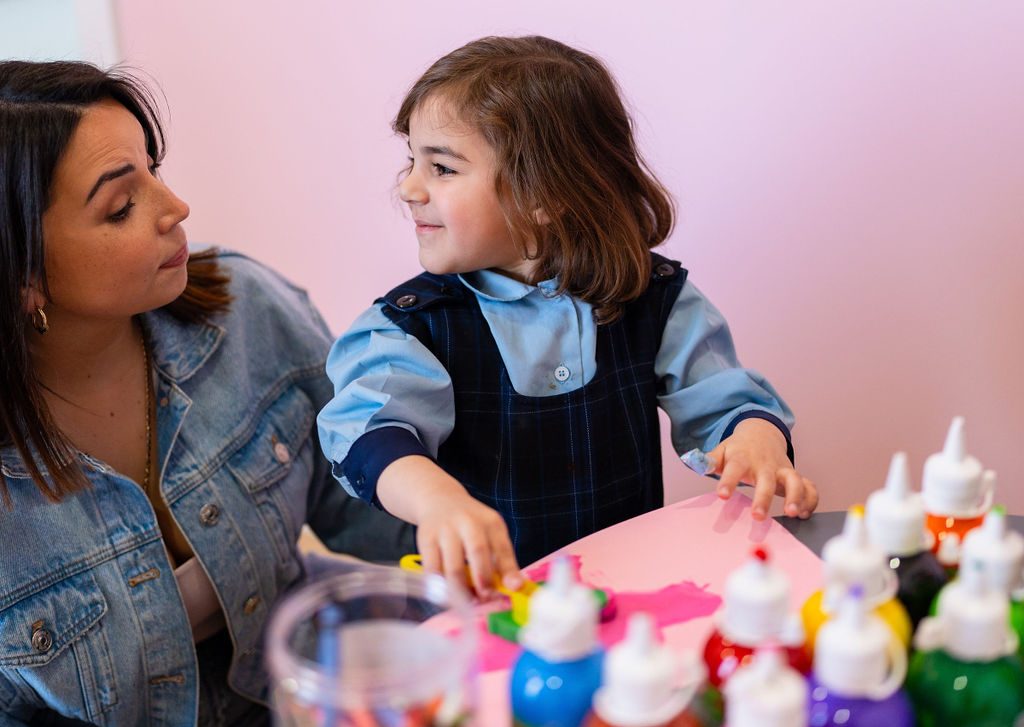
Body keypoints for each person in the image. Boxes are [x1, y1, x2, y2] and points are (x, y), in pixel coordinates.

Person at [317, 35, 819, 598]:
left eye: (442, 168)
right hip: (488, 608)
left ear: (545, 193)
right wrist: (439, 502)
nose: (409, 188)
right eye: (412, 160)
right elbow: (370, 433)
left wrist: (755, 439)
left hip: (626, 593)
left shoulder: (653, 295)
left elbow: (724, 399)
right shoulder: (411, 326)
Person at [0, 60, 414, 725]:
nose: (175, 210)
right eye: (121, 206)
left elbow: (377, 514)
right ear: (23, 274)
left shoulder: (245, 310)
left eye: (153, 170)